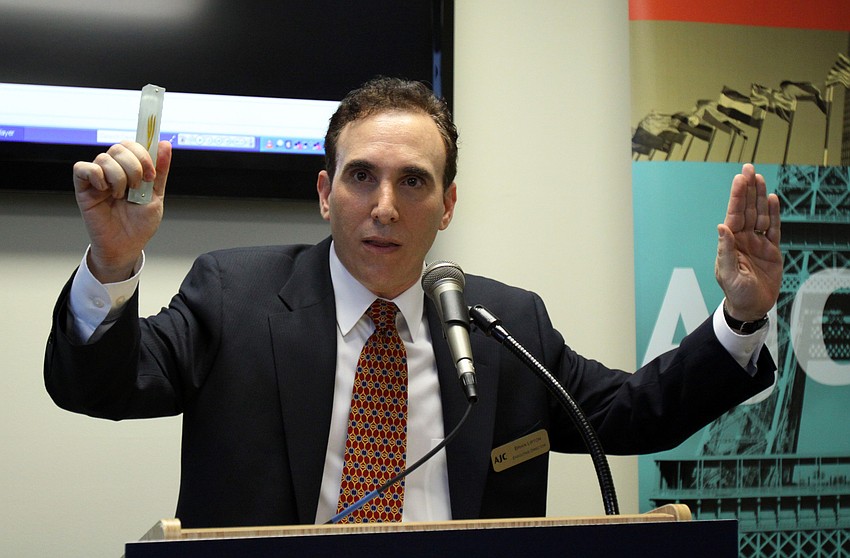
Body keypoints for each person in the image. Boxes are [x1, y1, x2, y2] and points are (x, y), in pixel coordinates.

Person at [44, 77, 781, 528]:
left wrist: (741, 318)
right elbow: (101, 384)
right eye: (361, 177)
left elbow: (631, 412)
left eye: (414, 182)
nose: (386, 207)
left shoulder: (503, 324)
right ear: (325, 193)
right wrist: (113, 259)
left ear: (449, 203)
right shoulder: (232, 297)